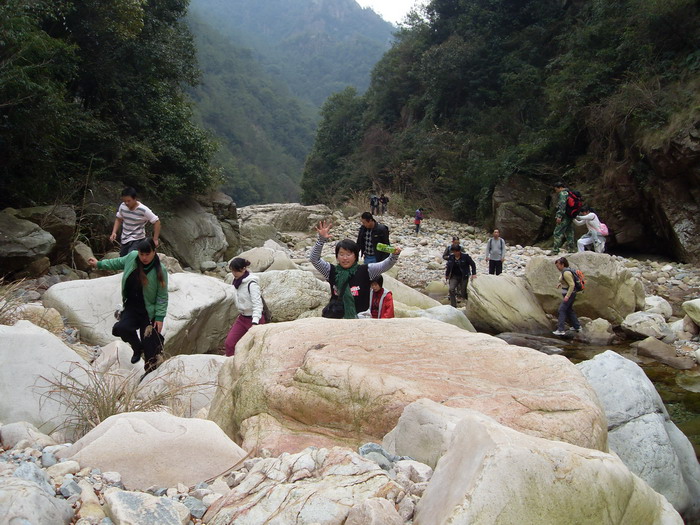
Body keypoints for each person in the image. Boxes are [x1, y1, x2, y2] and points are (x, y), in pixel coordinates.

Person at [87, 238, 167, 374]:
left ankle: (149, 374)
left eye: (147, 254)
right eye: (142, 254)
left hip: (148, 312)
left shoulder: (160, 270)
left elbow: (162, 296)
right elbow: (116, 263)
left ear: (154, 252)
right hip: (132, 307)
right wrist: (98, 264)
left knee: (151, 349)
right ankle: (137, 348)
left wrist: (159, 317)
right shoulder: (132, 257)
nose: (144, 258)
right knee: (121, 328)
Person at [311, 220, 401, 318]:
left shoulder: (366, 271)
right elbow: (314, 259)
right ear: (337, 257)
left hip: (360, 317)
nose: (345, 258)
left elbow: (384, 265)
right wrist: (321, 240)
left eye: (349, 254)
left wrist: (394, 256)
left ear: (355, 257)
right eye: (341, 254)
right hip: (337, 317)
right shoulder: (331, 271)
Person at [224, 258, 267, 357]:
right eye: (232, 271)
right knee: (229, 343)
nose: (233, 273)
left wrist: (255, 322)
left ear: (243, 269)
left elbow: (258, 304)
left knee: (255, 348)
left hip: (255, 320)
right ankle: (231, 364)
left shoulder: (252, 284)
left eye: (236, 270)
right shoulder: (236, 283)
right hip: (242, 318)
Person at [110, 187, 161, 256]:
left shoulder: (143, 209)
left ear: (135, 199)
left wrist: (155, 239)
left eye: (129, 201)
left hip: (138, 239)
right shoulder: (122, 206)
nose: (126, 203)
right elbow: (118, 219)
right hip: (125, 238)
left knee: (131, 257)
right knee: (123, 258)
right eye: (125, 201)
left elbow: (157, 222)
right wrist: (114, 232)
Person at [552, 256, 581, 336]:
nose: (557, 267)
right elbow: (566, 281)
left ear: (562, 264)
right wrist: (560, 284)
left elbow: (572, 285)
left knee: (561, 309)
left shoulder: (566, 273)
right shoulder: (565, 272)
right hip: (569, 293)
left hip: (570, 294)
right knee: (569, 310)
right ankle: (577, 326)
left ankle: (561, 329)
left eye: (558, 266)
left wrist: (567, 296)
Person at [551, 182, 576, 255]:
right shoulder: (569, 193)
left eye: (556, 189)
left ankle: (555, 250)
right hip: (570, 216)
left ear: (560, 188)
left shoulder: (562, 194)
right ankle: (572, 249)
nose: (556, 191)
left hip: (564, 216)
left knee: (557, 232)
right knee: (569, 232)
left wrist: (559, 216)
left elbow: (562, 205)